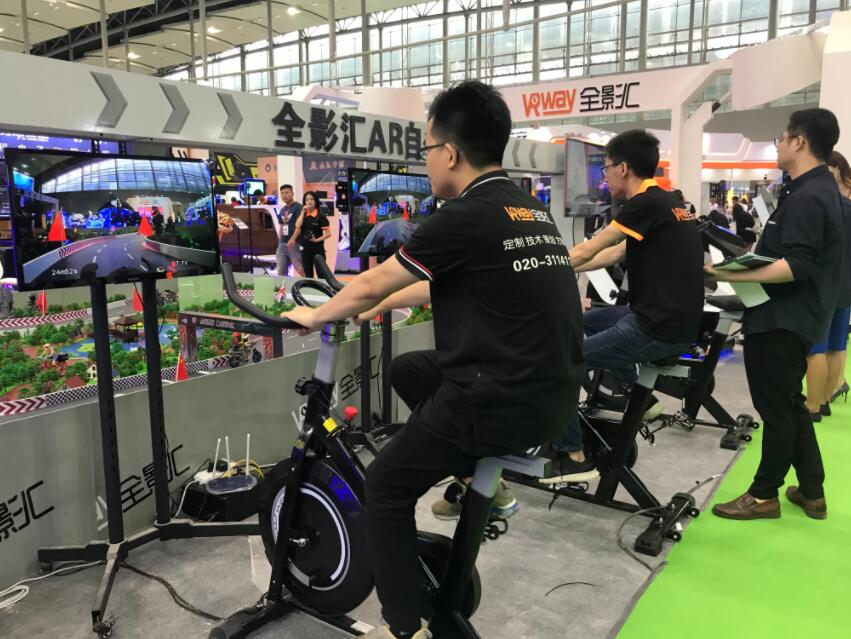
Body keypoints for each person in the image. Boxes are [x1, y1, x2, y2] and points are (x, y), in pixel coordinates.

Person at [280, 80, 584, 639]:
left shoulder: (463, 214)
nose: (425, 162)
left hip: (499, 399)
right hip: (553, 393)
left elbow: (375, 278)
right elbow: (438, 280)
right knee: (409, 370)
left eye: (426, 149)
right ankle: (474, 477)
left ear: (450, 152)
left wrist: (318, 315)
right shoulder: (525, 208)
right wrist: (376, 306)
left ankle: (404, 627)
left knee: (385, 485)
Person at [541, 129, 705, 482]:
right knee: (583, 320)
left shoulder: (645, 204)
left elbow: (591, 248)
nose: (605, 177)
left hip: (655, 328)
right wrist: (563, 268)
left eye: (607, 168)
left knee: (559, 364)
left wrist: (539, 269)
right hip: (667, 320)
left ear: (624, 168)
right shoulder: (667, 202)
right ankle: (641, 399)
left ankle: (572, 455)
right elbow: (615, 253)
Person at [706, 108, 843, 521]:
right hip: (794, 315)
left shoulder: (809, 196)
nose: (778, 145)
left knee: (777, 410)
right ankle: (812, 491)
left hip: (782, 317)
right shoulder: (814, 191)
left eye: (781, 138)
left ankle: (764, 495)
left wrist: (728, 272)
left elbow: (797, 265)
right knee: (790, 404)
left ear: (799, 142)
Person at [805, 150, 851, 420]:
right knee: (837, 345)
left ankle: (812, 406)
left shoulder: (828, 205)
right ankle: (824, 400)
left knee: (816, 348)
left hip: (825, 284)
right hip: (846, 284)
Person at [291, 191, 330, 278]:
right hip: (305, 250)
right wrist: (302, 212)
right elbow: (298, 225)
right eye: (307, 199)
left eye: (311, 199)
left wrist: (316, 240)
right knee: (308, 275)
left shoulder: (321, 216)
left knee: (321, 275)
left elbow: (328, 234)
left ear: (316, 201)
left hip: (318, 250)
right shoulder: (303, 215)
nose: (309, 201)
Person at [275, 184, 304, 277]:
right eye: (282, 193)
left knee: (300, 268)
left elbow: (299, 227)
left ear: (292, 193)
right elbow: (281, 226)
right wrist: (279, 242)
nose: (284, 195)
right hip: (282, 244)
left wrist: (293, 239)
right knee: (281, 270)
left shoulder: (298, 207)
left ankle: (311, 284)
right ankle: (285, 286)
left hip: (294, 243)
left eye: (287, 192)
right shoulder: (282, 210)